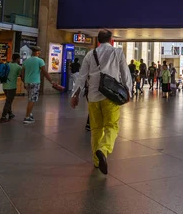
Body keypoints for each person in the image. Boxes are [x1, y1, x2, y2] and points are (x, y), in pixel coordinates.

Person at [71, 29, 133, 174]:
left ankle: (97, 161)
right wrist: (129, 90)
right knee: (112, 126)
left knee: (96, 129)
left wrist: (75, 95)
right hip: (110, 96)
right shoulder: (117, 52)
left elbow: (82, 76)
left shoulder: (90, 54)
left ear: (98, 40)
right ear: (111, 39)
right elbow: (125, 73)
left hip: (92, 97)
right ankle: (103, 150)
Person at [21, 46, 56, 124]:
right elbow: (44, 72)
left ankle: (29, 114)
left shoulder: (26, 61)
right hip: (35, 82)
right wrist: (51, 81)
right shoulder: (40, 61)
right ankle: (27, 118)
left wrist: (24, 82)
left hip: (27, 82)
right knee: (32, 100)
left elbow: (22, 73)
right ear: (38, 52)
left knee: (30, 98)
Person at [0, 53, 22, 123]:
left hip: (5, 86)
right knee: (8, 102)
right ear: (18, 59)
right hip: (12, 87)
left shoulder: (7, 64)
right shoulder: (18, 67)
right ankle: (3, 117)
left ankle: (10, 114)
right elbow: (20, 75)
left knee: (8, 100)